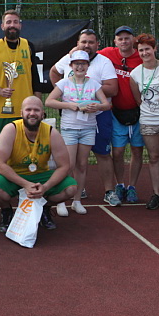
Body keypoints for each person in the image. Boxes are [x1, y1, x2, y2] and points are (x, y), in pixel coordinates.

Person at [49, 28, 119, 207]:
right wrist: (66, 94)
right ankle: (69, 192)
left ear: (97, 44)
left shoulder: (104, 62)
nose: (87, 45)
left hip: (96, 116)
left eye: (91, 42)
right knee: (69, 161)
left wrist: (91, 98)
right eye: (84, 42)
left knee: (101, 153)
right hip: (72, 119)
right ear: (78, 43)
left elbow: (113, 88)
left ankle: (109, 191)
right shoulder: (68, 58)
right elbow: (54, 72)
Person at [0, 96, 77, 232]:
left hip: (40, 175)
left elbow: (64, 166)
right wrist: (25, 184)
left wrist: (46, 187)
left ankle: (45, 209)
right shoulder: (11, 129)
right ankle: (6, 211)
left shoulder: (51, 132)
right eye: (28, 110)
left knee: (71, 188)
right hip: (15, 174)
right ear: (21, 113)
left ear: (42, 114)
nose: (32, 113)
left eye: (36, 110)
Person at [44, 51, 111, 216]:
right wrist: (70, 106)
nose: (80, 67)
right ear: (71, 66)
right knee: (68, 165)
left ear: (88, 66)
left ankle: (77, 200)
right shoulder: (64, 83)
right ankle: (60, 201)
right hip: (70, 128)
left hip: (88, 128)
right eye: (76, 64)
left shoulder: (94, 84)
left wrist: (97, 106)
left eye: (83, 64)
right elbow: (49, 101)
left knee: (82, 165)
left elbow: (106, 105)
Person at [129, 34, 159, 211]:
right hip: (148, 119)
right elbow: (138, 99)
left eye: (147, 49)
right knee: (154, 157)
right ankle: (156, 194)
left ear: (155, 49)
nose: (144, 53)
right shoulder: (135, 74)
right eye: (141, 50)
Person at [98, 26, 144, 204]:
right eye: (120, 38)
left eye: (127, 38)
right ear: (115, 41)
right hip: (116, 112)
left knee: (137, 151)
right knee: (117, 152)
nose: (124, 41)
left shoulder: (141, 55)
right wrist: (75, 50)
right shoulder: (107, 54)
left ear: (133, 40)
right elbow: (87, 51)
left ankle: (132, 187)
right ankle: (120, 184)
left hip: (138, 111)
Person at [0, 10, 43, 145]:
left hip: (26, 110)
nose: (12, 25)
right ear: (2, 26)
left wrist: (38, 104)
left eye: (15, 22)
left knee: (26, 147)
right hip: (2, 110)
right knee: (3, 147)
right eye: (9, 22)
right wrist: (0, 90)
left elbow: (35, 78)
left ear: (20, 25)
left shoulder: (28, 46)